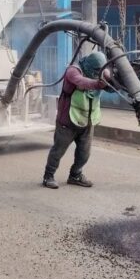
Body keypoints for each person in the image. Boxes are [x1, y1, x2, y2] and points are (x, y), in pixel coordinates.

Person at [43, 52, 110, 189]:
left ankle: (75, 175)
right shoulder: (73, 71)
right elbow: (82, 82)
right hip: (67, 120)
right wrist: (99, 84)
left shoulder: (102, 72)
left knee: (84, 153)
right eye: (97, 70)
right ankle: (48, 176)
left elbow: (112, 84)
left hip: (87, 120)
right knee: (58, 151)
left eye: (101, 70)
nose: (99, 73)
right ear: (90, 66)